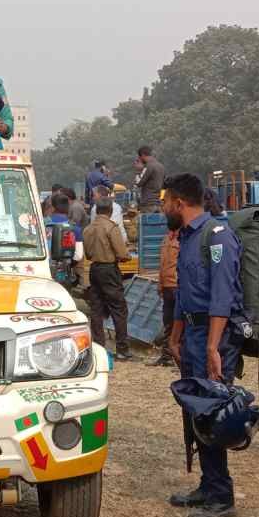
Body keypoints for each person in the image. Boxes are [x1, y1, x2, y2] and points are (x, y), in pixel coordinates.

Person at [164, 172, 245, 517]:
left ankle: (222, 495)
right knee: (197, 413)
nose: (163, 207)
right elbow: (185, 293)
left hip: (215, 339)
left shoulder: (217, 237)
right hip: (194, 336)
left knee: (213, 414)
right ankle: (208, 484)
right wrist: (175, 335)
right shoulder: (187, 237)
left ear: (179, 203)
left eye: (165, 202)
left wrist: (213, 347)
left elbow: (221, 297)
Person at [84, 197, 137, 362]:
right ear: (111, 211)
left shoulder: (88, 229)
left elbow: (88, 254)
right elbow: (122, 254)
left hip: (94, 269)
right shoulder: (111, 228)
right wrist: (126, 255)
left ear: (96, 211)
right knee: (119, 309)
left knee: (96, 309)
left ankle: (99, 348)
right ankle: (122, 349)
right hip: (109, 270)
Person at [155, 219, 180, 367]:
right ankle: (166, 356)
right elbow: (162, 264)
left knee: (180, 324)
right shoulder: (166, 240)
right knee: (168, 322)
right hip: (167, 287)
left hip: (177, 286)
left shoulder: (184, 240)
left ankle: (180, 358)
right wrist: (160, 284)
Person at [134, 146, 166, 213]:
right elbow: (163, 185)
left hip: (148, 204)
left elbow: (139, 183)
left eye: (139, 157)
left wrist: (138, 170)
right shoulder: (161, 166)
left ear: (142, 155)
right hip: (158, 203)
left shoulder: (149, 166)